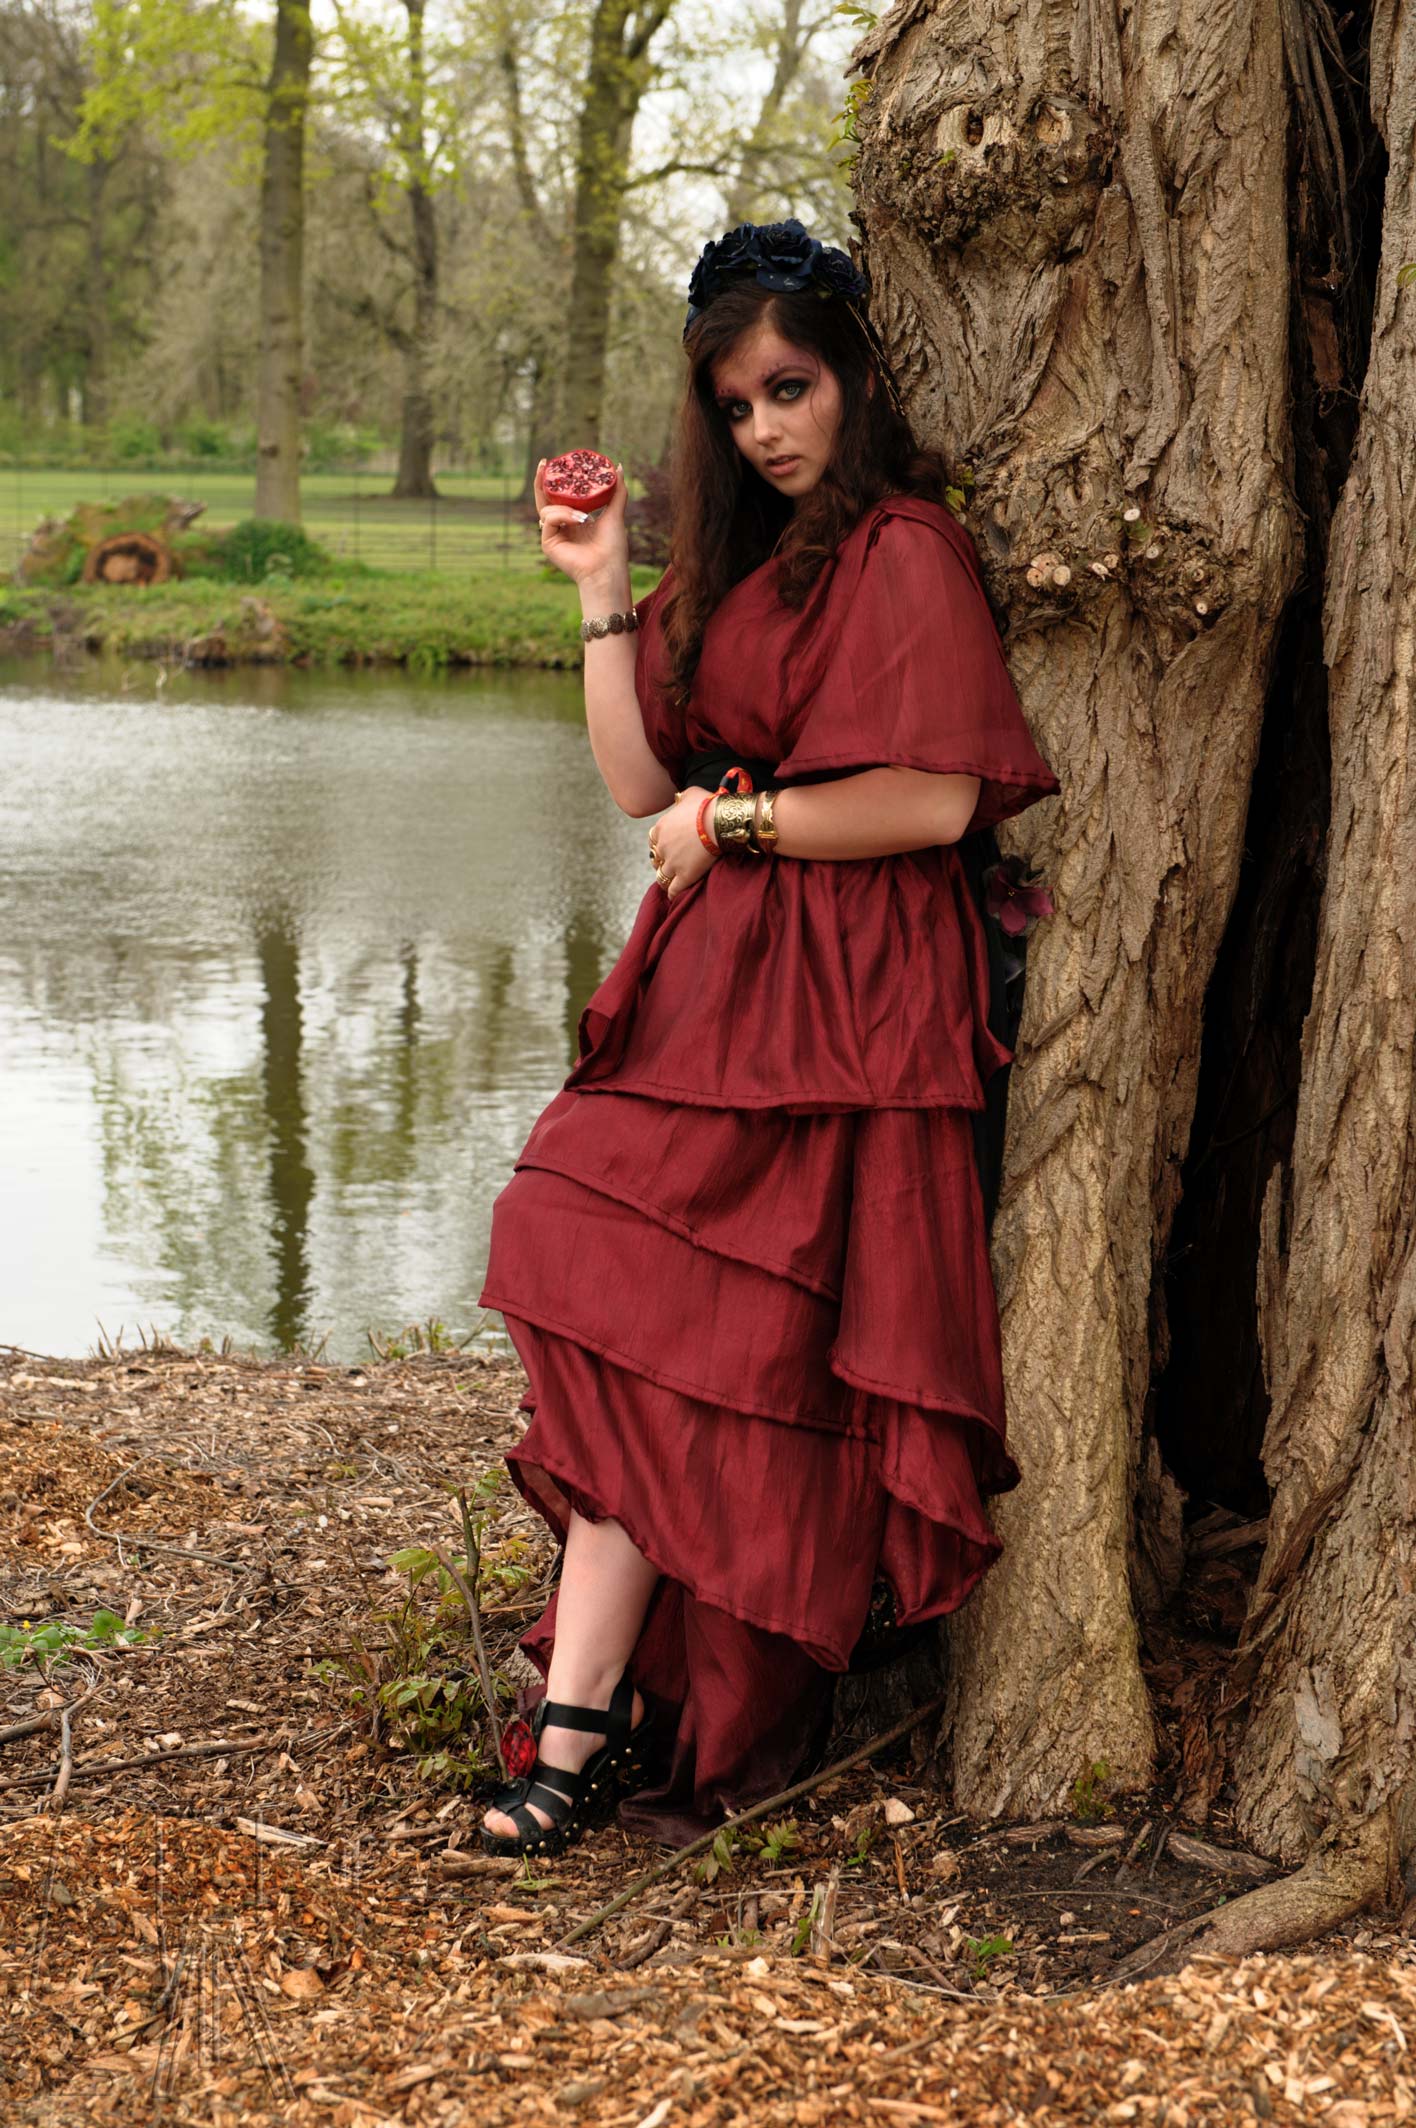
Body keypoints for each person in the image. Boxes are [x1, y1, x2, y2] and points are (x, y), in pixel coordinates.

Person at [477, 218, 1061, 1856]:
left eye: (790, 389)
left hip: (848, 1011)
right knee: (585, 1259)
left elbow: (931, 800)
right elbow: (635, 783)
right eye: (735, 407)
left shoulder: (903, 551)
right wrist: (602, 587)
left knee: (727, 1358)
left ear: (854, 376)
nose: (764, 430)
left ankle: (581, 1731)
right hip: (710, 998)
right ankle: (588, 1717)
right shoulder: (744, 560)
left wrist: (737, 830)